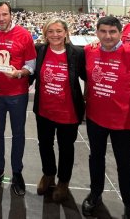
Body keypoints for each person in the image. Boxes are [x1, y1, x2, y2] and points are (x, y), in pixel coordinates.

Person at [82, 16, 130, 219]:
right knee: (95, 159)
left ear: (120, 33)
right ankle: (95, 194)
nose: (108, 36)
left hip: (124, 121)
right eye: (103, 32)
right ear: (97, 33)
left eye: (112, 32)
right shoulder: (89, 51)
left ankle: (129, 203)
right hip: (95, 117)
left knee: (124, 164)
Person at [0, 1, 36, 196]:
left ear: (11, 15)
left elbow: (31, 64)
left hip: (18, 95)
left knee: (18, 134)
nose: (1, 18)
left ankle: (17, 172)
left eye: (5, 14)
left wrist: (19, 73)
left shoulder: (24, 34)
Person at [31, 19, 86, 202]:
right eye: (50, 31)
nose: (55, 35)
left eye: (59, 31)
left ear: (66, 32)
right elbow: (30, 74)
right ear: (45, 34)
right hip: (44, 109)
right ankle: (48, 174)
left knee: (66, 148)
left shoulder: (77, 53)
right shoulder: (40, 51)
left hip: (68, 112)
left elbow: (89, 77)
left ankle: (63, 181)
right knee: (44, 144)